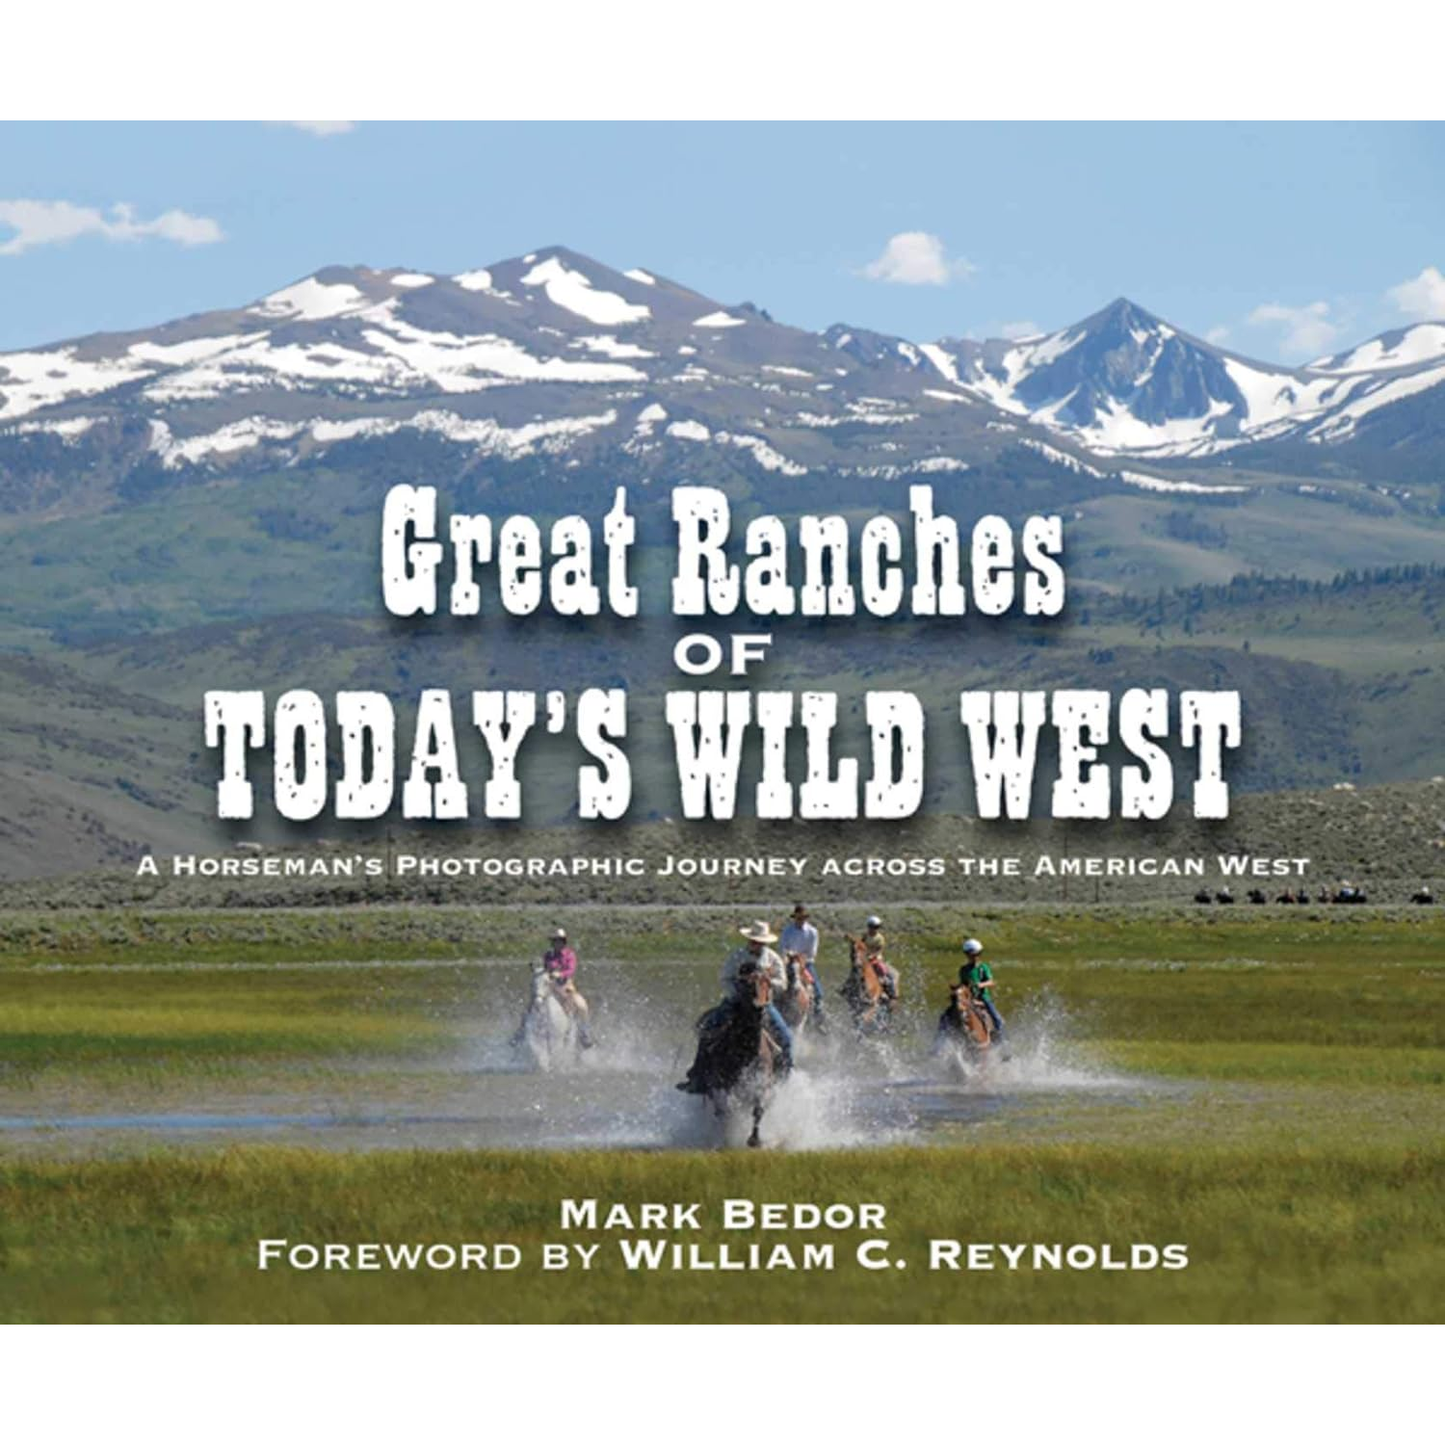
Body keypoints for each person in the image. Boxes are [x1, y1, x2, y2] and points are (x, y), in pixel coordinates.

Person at [677, 921, 794, 1092]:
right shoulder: (737, 956)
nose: (757, 944)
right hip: (736, 1001)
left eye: (760, 942)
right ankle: (697, 1076)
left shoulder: (773, 959)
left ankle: (785, 1077)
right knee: (708, 1029)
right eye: (754, 941)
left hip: (763, 1004)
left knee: (786, 1038)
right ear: (749, 940)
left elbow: (782, 984)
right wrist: (736, 994)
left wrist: (768, 981)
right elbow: (725, 978)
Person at [516, 926, 594, 1048]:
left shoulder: (570, 955)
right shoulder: (548, 955)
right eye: (555, 941)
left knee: (582, 1006)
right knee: (531, 1005)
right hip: (551, 986)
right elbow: (544, 968)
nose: (557, 943)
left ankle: (584, 1034)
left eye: (559, 941)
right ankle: (520, 1033)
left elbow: (571, 970)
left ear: (564, 942)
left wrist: (560, 974)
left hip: (566, 987)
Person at [778, 902, 827, 1033]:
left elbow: (812, 953)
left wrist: (800, 958)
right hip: (789, 962)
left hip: (805, 963)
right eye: (798, 917)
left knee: (818, 992)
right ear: (795, 918)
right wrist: (788, 956)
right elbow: (782, 948)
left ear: (806, 918)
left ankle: (819, 1020)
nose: (800, 920)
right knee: (776, 985)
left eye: (802, 917)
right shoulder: (787, 931)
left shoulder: (812, 932)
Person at [957, 937, 1004, 1043]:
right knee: (947, 1017)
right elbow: (963, 984)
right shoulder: (963, 970)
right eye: (972, 955)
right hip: (968, 999)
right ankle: (940, 1044)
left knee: (998, 1019)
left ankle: (1003, 1045)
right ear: (967, 955)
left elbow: (991, 982)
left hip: (984, 998)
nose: (975, 957)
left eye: (977, 954)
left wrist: (981, 985)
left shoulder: (983, 967)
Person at [861, 914, 898, 999]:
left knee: (881, 968)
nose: (873, 929)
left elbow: (880, 949)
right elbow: (861, 944)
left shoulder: (880, 938)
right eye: (871, 926)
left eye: (875, 927)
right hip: (865, 957)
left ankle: (886, 984)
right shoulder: (865, 936)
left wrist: (873, 956)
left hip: (875, 957)